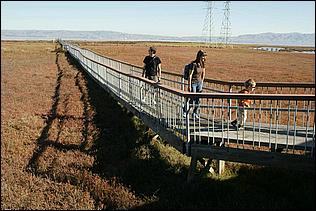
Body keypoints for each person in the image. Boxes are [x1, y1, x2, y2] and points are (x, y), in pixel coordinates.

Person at [183, 50, 207, 119]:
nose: (204, 58)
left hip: (199, 83)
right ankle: (185, 110)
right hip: (193, 83)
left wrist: (202, 81)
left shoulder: (203, 64)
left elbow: (203, 72)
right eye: (203, 56)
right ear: (199, 56)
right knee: (192, 98)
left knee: (198, 100)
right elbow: (190, 75)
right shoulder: (194, 64)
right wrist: (189, 85)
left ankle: (195, 113)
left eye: (204, 57)